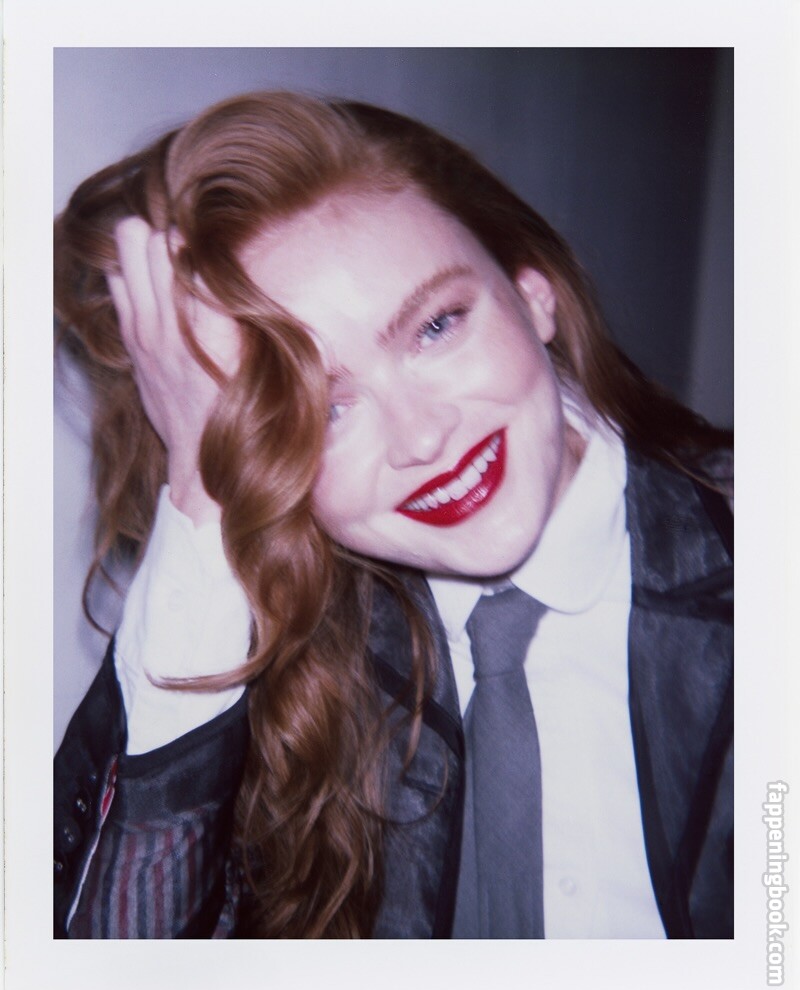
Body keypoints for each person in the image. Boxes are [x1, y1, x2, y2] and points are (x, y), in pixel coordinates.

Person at [53, 91, 733, 940]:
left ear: (533, 293)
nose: (422, 438)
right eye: (322, 411)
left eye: (436, 326)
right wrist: (205, 486)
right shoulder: (276, 643)